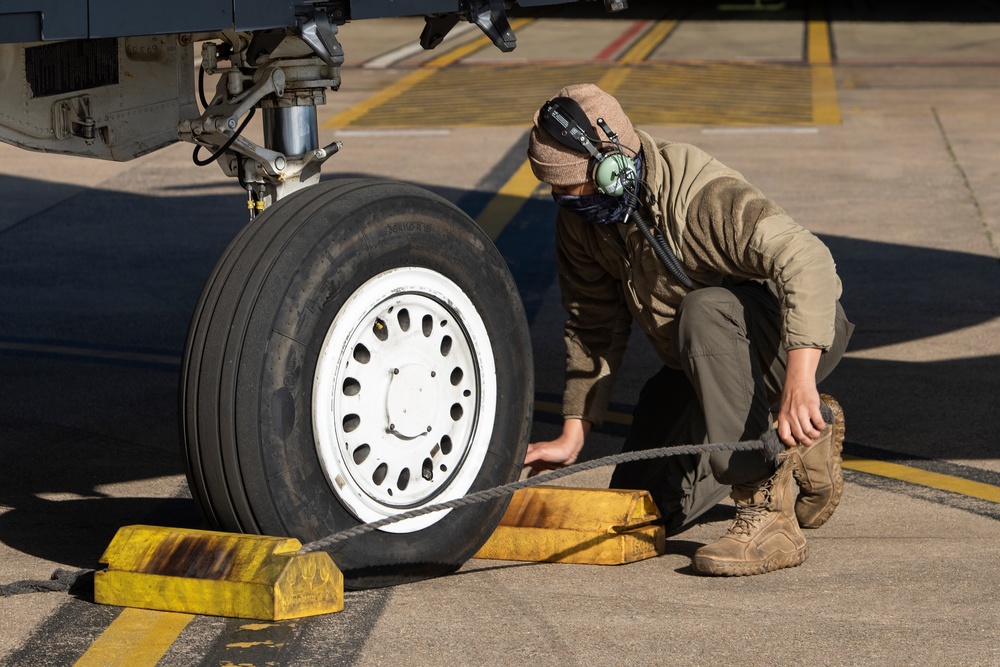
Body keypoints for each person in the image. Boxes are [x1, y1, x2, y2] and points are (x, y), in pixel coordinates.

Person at [522, 83, 854, 576]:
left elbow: (807, 259)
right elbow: (591, 324)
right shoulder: (583, 222)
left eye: (570, 186)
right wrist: (574, 433)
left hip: (789, 342)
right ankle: (797, 440)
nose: (562, 199)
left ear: (614, 170)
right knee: (641, 512)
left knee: (704, 309)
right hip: (704, 365)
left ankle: (765, 510)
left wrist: (799, 381)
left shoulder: (701, 196)